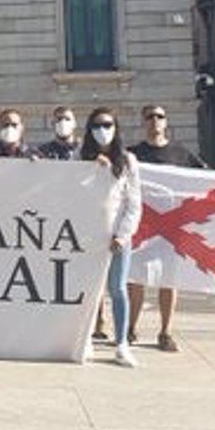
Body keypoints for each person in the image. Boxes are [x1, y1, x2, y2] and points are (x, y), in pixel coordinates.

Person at [126, 104, 206, 353]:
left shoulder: (181, 154)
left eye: (159, 116)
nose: (155, 121)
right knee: (134, 279)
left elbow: (207, 178)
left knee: (168, 280)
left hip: (171, 228)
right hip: (142, 227)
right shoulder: (133, 154)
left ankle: (166, 332)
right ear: (143, 122)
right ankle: (130, 328)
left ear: (166, 121)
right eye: (149, 117)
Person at [81, 106, 142, 368]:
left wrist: (123, 234)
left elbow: (134, 202)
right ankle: (85, 340)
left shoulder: (127, 161)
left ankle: (121, 344)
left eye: (107, 125)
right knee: (88, 290)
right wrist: (92, 168)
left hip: (116, 237)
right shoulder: (80, 156)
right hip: (86, 235)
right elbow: (66, 187)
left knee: (117, 289)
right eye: (96, 126)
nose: (102, 131)